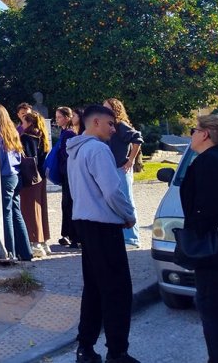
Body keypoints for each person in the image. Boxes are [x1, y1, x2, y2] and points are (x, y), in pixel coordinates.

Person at [66, 104, 138, 363]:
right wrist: (128, 216)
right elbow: (112, 191)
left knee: (94, 288)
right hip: (103, 224)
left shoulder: (75, 150)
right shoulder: (97, 149)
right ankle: (117, 352)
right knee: (118, 289)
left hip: (85, 222)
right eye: (110, 124)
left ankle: (85, 347)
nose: (113, 129)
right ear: (95, 122)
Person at [180, 115, 218, 363]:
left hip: (213, 251)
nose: (191, 134)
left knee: (211, 310)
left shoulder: (208, 162)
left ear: (206, 134)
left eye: (194, 129)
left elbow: (206, 208)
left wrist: (197, 234)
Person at [103, 98, 144, 248]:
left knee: (127, 202)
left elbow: (137, 139)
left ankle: (132, 238)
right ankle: (120, 237)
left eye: (107, 108)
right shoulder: (110, 126)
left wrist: (131, 160)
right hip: (112, 169)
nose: (104, 110)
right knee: (114, 203)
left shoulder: (120, 125)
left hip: (122, 168)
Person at [0, 105, 33, 262]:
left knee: (6, 214)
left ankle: (10, 252)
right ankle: (25, 252)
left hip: (5, 176)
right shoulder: (12, 132)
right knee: (16, 213)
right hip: (15, 175)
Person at [19, 111, 52, 257]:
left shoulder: (27, 137)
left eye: (24, 122)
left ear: (30, 123)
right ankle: (43, 241)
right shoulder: (42, 136)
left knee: (30, 210)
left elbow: (25, 156)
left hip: (30, 177)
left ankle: (35, 242)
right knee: (41, 209)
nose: (22, 124)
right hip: (41, 176)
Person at [53, 107, 79, 248]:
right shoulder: (65, 132)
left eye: (59, 117)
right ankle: (68, 234)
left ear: (67, 117)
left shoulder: (69, 133)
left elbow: (67, 154)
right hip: (66, 172)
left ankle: (73, 236)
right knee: (66, 204)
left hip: (69, 172)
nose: (57, 119)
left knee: (69, 203)